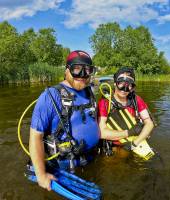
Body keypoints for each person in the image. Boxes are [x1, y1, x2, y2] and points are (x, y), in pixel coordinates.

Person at [29, 50, 100, 191]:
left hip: (92, 159)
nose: (82, 75)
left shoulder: (89, 92)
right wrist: (41, 175)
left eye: (87, 70)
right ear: (67, 70)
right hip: (66, 167)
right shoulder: (50, 96)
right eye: (76, 69)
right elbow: (35, 137)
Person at [98, 67, 154, 153]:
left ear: (132, 87)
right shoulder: (105, 102)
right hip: (115, 147)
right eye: (121, 83)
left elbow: (149, 123)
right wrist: (130, 132)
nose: (125, 89)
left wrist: (134, 144)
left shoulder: (136, 100)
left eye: (129, 85)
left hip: (136, 142)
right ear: (115, 83)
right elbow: (101, 132)